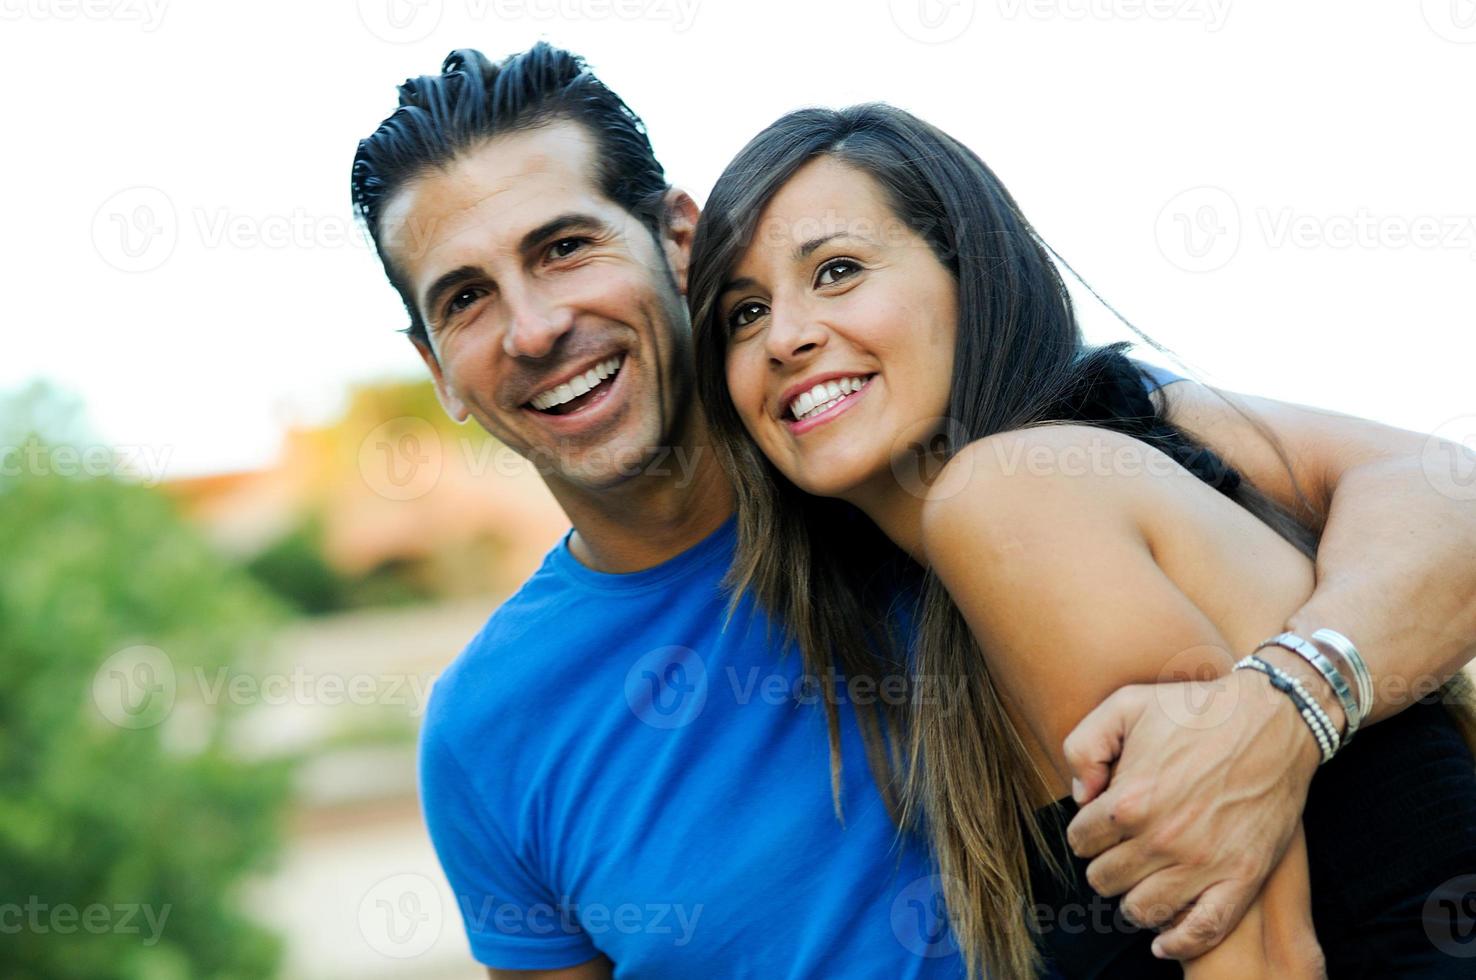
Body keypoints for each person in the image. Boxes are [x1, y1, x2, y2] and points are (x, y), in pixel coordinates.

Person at [350, 44, 1476, 977]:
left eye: (564, 245)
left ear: (679, 240)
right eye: (466, 296)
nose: (536, 324)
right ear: (436, 366)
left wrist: (1286, 708)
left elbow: (1446, 496)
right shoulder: (487, 735)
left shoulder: (1005, 472)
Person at [687, 101, 1476, 978]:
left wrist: (1290, 706)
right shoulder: (1026, 525)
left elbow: (1265, 960)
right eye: (743, 313)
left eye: (837, 270)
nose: (786, 336)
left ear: (968, 272)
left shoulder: (1014, 499)